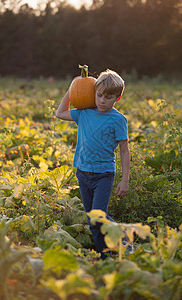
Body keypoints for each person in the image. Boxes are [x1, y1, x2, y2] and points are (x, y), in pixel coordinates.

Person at [55, 69, 131, 259]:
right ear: (94, 93)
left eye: (108, 97)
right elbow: (60, 113)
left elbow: (124, 150)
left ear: (118, 98)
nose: (102, 100)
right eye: (99, 95)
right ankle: (104, 257)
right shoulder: (84, 113)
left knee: (97, 217)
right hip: (83, 172)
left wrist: (125, 180)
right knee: (92, 220)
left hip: (104, 174)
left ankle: (121, 238)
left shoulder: (118, 120)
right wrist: (72, 87)